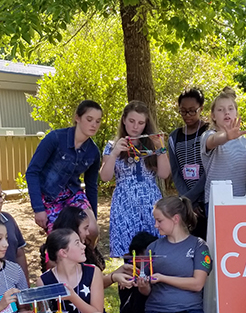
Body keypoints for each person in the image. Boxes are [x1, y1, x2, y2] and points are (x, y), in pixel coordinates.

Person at [136, 196, 218, 313]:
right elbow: (146, 290)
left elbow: (197, 284)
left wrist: (164, 278)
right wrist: (142, 286)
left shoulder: (199, 246)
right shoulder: (153, 248)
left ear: (175, 218)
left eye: (159, 220)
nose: (156, 226)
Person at [100, 101, 171, 258]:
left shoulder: (151, 144)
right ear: (124, 119)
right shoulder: (112, 145)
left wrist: (161, 148)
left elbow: (164, 174)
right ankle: (128, 282)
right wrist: (114, 153)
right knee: (128, 252)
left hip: (150, 202)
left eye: (140, 123)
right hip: (124, 202)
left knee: (154, 249)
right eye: (131, 121)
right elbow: (105, 177)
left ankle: (154, 281)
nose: (135, 127)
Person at [26, 99, 102, 238]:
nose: (94, 125)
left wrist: (94, 217)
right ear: (77, 118)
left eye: (98, 121)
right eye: (89, 119)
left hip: (72, 194)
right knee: (61, 240)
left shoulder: (93, 152)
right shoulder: (55, 138)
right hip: (48, 197)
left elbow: (91, 186)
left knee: (91, 230)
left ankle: (89, 258)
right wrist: (38, 209)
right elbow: (32, 172)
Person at [167, 88, 208, 238]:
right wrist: (187, 201)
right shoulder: (174, 137)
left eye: (192, 111)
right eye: (183, 111)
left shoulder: (208, 132)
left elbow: (209, 170)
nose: (187, 115)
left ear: (201, 109)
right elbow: (176, 171)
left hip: (206, 200)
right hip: (187, 204)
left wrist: (192, 199)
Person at [201, 87, 246, 203]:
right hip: (218, 201)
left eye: (230, 109)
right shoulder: (208, 135)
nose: (226, 112)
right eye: (220, 110)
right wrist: (227, 136)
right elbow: (214, 140)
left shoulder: (243, 140)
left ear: (236, 113)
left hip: (243, 199)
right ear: (213, 116)